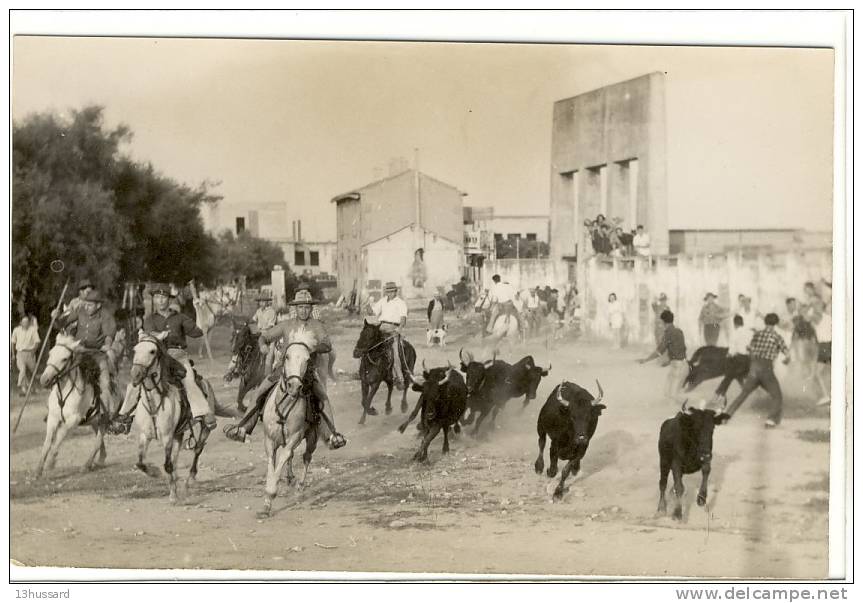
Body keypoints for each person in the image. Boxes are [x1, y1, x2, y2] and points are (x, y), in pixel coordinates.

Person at [224, 289, 346, 449]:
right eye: (301, 307)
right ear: (295, 308)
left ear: (311, 309)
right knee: (259, 390)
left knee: (322, 396)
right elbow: (264, 336)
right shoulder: (286, 325)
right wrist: (261, 345)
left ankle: (331, 435)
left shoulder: (316, 326)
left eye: (307, 307)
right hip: (284, 369)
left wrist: (314, 349)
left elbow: (327, 344)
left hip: (306, 371)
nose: (304, 310)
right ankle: (243, 428)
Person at [108, 285, 216, 443]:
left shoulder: (180, 317)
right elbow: (150, 335)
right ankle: (124, 419)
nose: (160, 300)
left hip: (178, 356)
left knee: (190, 381)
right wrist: (159, 336)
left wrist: (200, 309)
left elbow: (199, 331)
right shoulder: (150, 319)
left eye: (163, 297)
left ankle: (202, 413)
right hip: (157, 358)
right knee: (135, 384)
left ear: (169, 299)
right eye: (157, 297)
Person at [52, 289, 118, 417]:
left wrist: (108, 344)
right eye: (85, 304)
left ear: (98, 305)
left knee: (105, 382)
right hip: (79, 352)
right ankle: (54, 407)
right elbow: (62, 323)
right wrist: (56, 317)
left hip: (97, 354)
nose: (86, 307)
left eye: (90, 305)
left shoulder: (105, 315)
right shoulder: (80, 311)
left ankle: (105, 413)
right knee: (60, 372)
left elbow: (109, 334)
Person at [721, 313, 791, 429]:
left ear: (765, 322)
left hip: (753, 369)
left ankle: (726, 416)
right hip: (767, 369)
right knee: (777, 396)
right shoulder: (777, 337)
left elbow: (749, 348)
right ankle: (771, 420)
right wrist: (786, 361)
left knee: (743, 394)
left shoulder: (757, 334)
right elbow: (788, 355)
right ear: (776, 323)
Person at [639, 309, 688, 402]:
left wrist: (646, 360)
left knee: (670, 389)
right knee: (670, 384)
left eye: (661, 322)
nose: (660, 325)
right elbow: (681, 349)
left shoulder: (668, 333)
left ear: (664, 322)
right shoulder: (679, 331)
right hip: (682, 363)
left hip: (676, 364)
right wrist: (669, 361)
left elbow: (659, 351)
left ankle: (671, 405)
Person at [371, 281, 409, 389]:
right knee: (367, 346)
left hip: (393, 329)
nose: (390, 293)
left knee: (395, 353)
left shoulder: (400, 302)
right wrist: (367, 304)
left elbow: (403, 319)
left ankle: (400, 379)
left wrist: (399, 329)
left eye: (392, 291)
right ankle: (365, 371)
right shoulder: (382, 301)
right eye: (388, 291)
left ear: (396, 291)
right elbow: (372, 312)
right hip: (381, 327)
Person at [712, 314, 751, 405]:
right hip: (747, 360)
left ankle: (717, 396)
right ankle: (720, 395)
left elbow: (732, 350)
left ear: (735, 324)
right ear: (742, 323)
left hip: (738, 359)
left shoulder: (735, 333)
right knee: (735, 377)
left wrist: (728, 356)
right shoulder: (748, 332)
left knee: (728, 377)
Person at [11, 315, 40, 394]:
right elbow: (13, 342)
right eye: (24, 322)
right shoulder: (16, 330)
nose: (26, 323)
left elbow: (37, 342)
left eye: (27, 322)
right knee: (22, 370)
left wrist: (33, 352)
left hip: (30, 353)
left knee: (33, 372)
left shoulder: (33, 330)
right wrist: (13, 354)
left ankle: (32, 388)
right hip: (20, 353)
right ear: (20, 323)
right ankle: (22, 387)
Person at [813, 282, 832, 407]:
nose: (815, 308)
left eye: (817, 306)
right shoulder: (828, 316)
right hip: (828, 345)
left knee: (818, 373)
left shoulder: (820, 317)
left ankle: (827, 396)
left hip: (825, 346)